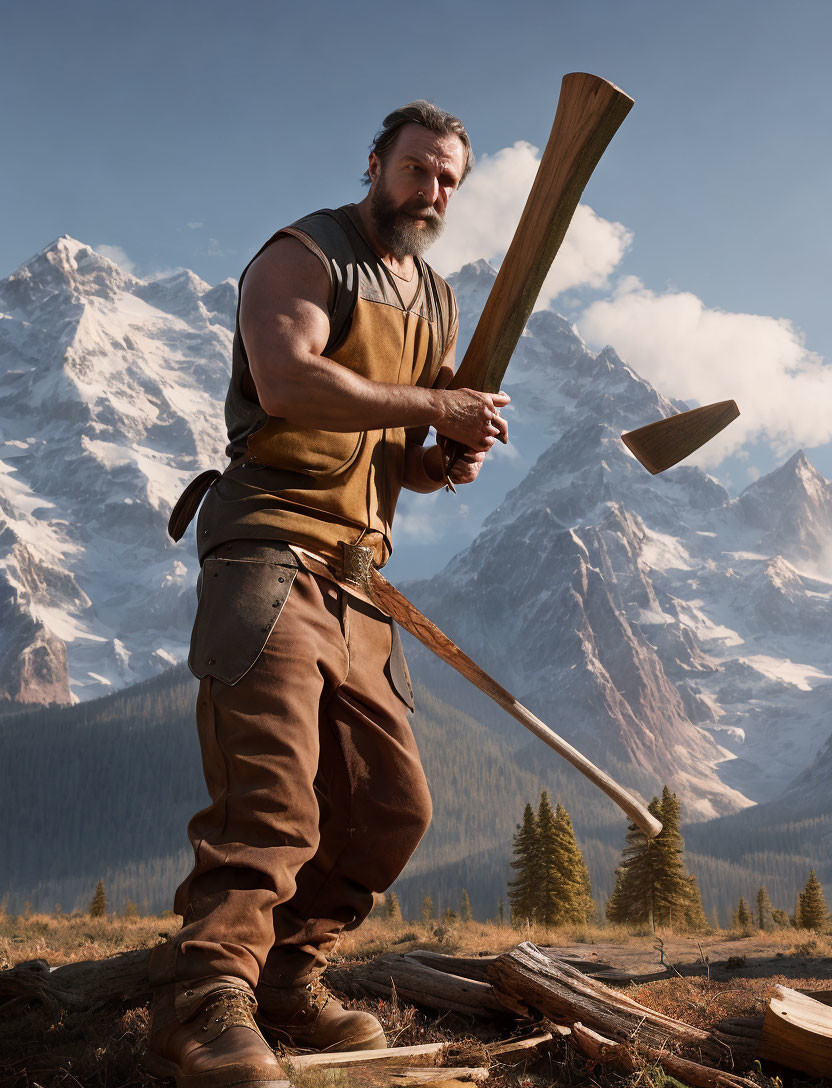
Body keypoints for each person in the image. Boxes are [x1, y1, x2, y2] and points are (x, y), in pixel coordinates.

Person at [144, 101, 510, 1088]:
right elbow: (290, 381)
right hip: (266, 551)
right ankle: (204, 999)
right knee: (269, 802)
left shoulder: (431, 296)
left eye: (447, 180)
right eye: (417, 169)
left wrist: (442, 460)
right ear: (376, 162)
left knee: (390, 807)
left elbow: (401, 445)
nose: (431, 191)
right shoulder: (306, 255)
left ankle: (287, 975)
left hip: (358, 578)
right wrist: (439, 404)